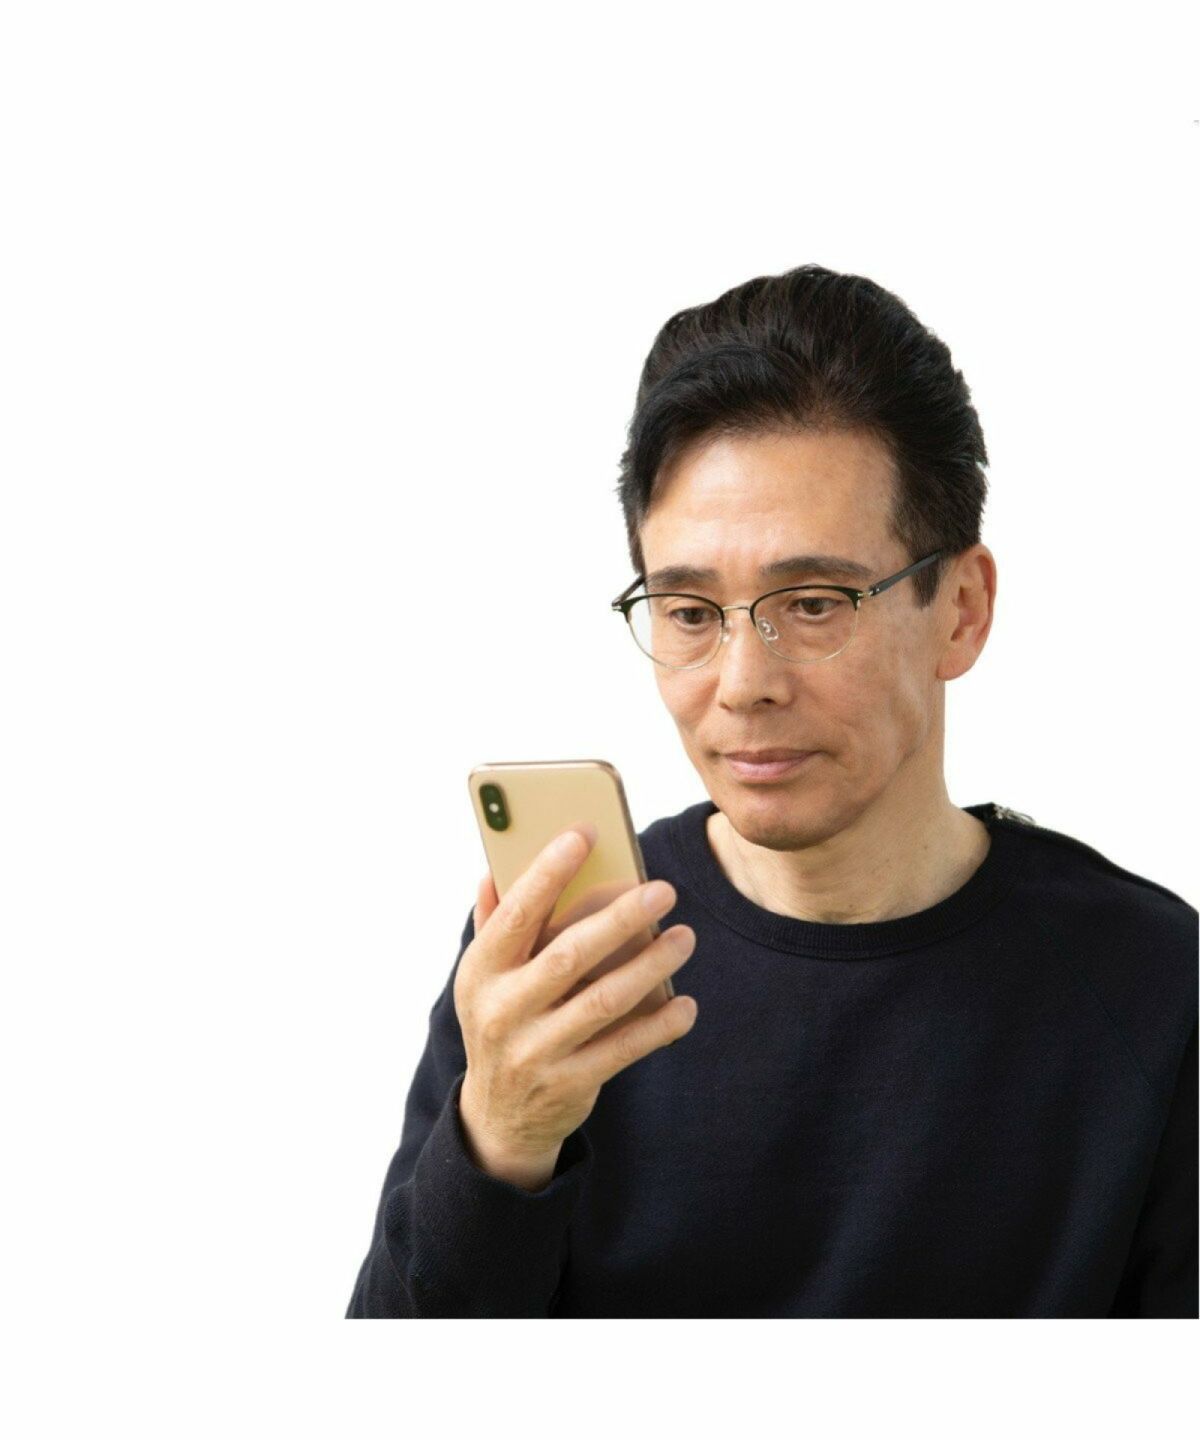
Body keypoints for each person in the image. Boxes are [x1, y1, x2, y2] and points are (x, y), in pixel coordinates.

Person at [345, 263, 1198, 1318]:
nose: (744, 684)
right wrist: (502, 1137)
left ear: (962, 610)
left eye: (814, 602)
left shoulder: (1155, 989)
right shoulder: (559, 964)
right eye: (689, 613)